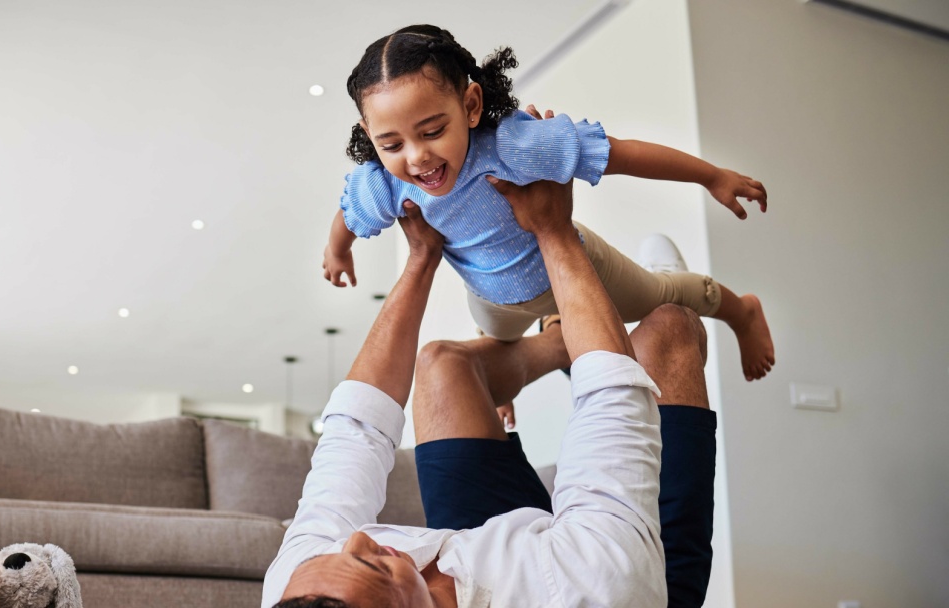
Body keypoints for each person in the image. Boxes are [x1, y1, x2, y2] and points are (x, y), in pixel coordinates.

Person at [260, 175, 725, 608]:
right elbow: (613, 399)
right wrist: (553, 231)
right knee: (666, 330)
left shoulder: (300, 599)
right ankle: (631, 303)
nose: (358, 538)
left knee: (442, 365)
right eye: (379, 565)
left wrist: (421, 258)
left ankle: (559, 334)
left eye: (338, 554)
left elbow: (353, 432)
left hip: (479, 552)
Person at [322, 24, 774, 381]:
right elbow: (348, 216)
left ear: (471, 106)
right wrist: (337, 251)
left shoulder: (514, 146)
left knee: (661, 299)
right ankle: (509, 383)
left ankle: (739, 310)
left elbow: (623, 153)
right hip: (489, 298)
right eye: (391, 143)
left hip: (571, 271)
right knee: (495, 348)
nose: (417, 157)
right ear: (370, 136)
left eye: (433, 131)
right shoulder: (383, 184)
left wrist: (711, 176)